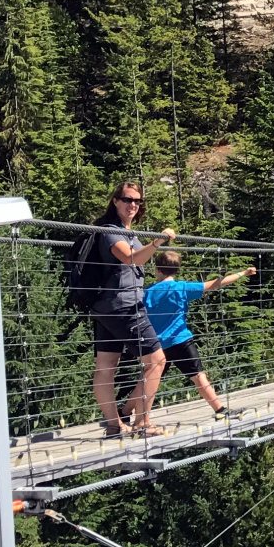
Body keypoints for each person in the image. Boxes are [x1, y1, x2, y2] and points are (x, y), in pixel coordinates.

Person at [85, 182, 175, 438]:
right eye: (127, 199)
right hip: (124, 307)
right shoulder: (110, 231)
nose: (133, 204)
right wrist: (158, 242)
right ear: (115, 201)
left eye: (137, 201)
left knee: (106, 365)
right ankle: (143, 423)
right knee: (157, 360)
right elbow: (131, 258)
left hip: (106, 308)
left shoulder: (127, 232)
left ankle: (115, 425)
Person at [144, 251, 255, 419]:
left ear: (157, 269)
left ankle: (124, 412)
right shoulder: (182, 288)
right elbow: (216, 284)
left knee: (147, 381)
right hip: (180, 340)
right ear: (176, 269)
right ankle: (220, 410)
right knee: (198, 375)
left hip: (157, 345)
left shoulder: (147, 292)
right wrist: (243, 273)